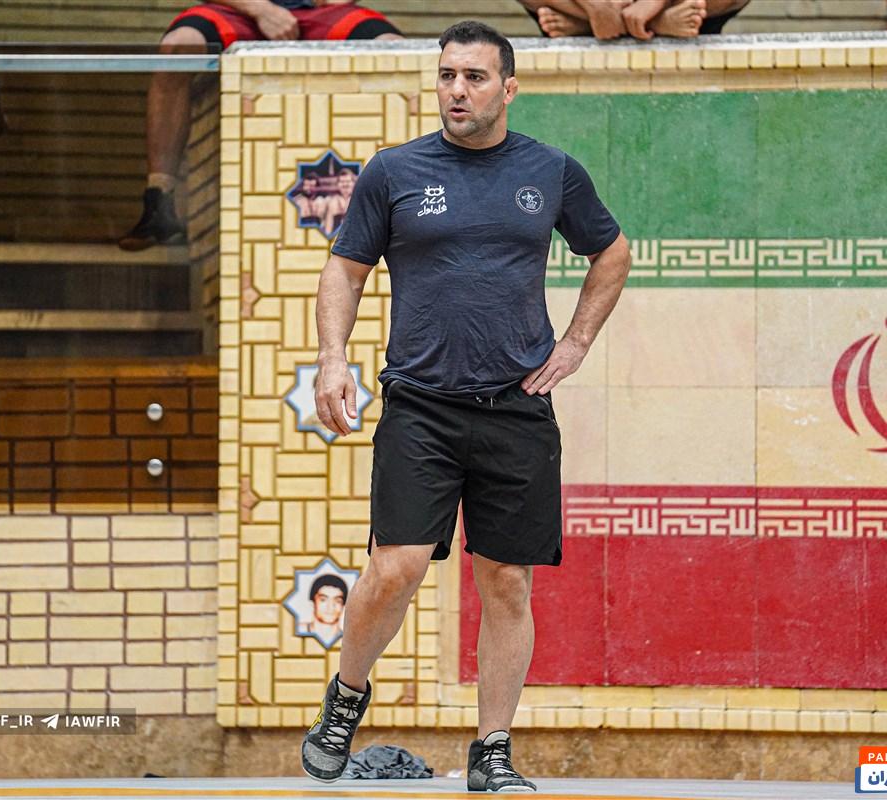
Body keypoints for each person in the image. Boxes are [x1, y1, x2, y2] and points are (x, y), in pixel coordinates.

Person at [302, 20, 631, 793]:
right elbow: (345, 269)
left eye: (475, 77)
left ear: (508, 88)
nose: (457, 89)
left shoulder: (551, 171)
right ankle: (346, 697)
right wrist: (332, 359)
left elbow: (612, 252)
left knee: (507, 581)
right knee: (397, 567)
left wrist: (576, 342)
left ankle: (492, 750)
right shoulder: (394, 171)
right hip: (421, 405)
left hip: (516, 408)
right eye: (448, 75)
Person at [118, 1, 401, 251]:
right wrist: (261, 9)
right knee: (178, 45)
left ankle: (405, 203)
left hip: (320, 12)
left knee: (394, 48)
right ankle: (160, 202)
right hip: (238, 11)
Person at [520, 0, 750, 40]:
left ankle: (589, 25)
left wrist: (657, 2)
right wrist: (595, 5)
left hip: (681, 8)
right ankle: (653, 24)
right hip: (580, 8)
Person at [297, 574, 349, 641]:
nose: (330, 607)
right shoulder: (297, 631)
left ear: (343, 606)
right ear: (312, 604)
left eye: (337, 601)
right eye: (323, 600)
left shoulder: (349, 640)